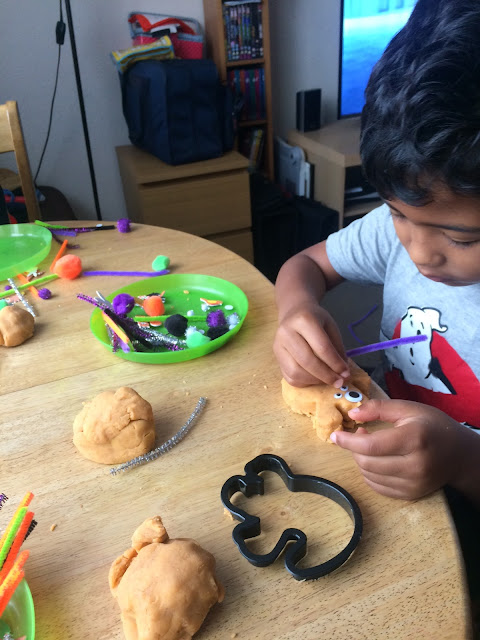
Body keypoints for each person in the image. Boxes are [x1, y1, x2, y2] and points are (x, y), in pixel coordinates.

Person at [274, 0, 480, 610]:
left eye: (460, 237)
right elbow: (304, 266)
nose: (418, 251)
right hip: (394, 491)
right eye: (396, 214)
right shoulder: (412, 220)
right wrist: (295, 312)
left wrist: (461, 459)